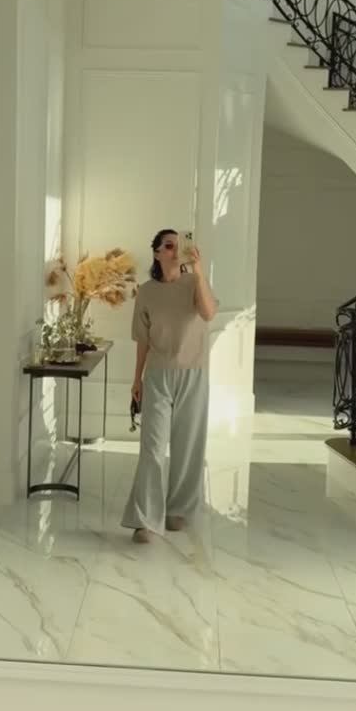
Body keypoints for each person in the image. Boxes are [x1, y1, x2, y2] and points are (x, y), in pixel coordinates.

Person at [121, 228, 217, 544]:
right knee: (152, 448)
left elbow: (208, 313)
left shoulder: (194, 283)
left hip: (193, 374)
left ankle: (179, 509)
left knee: (188, 445)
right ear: (157, 253)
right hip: (158, 375)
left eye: (179, 244)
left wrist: (199, 271)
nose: (176, 250)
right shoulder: (147, 292)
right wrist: (136, 379)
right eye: (169, 245)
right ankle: (145, 519)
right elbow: (142, 340)